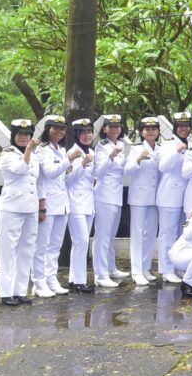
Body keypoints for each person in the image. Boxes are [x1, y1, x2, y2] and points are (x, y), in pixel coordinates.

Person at [0, 119, 39, 305]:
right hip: (11, 208)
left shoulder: (33, 155)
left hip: (30, 208)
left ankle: (20, 290)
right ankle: (6, 292)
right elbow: (21, 169)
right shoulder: (7, 154)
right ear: (14, 136)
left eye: (27, 134)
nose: (24, 137)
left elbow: (35, 180)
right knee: (8, 251)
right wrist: (29, 149)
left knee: (26, 250)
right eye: (20, 134)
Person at [32, 115, 71, 298]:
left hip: (62, 203)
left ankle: (51, 278)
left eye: (62, 129)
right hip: (47, 202)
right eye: (55, 128)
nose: (59, 132)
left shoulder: (61, 150)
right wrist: (69, 160)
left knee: (55, 245)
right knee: (42, 245)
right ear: (48, 130)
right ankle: (38, 282)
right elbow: (48, 173)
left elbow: (64, 177)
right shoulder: (42, 150)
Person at [93, 114, 129, 288]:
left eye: (117, 126)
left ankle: (110, 268)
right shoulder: (101, 147)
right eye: (111, 127)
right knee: (102, 236)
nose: (114, 129)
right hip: (104, 195)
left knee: (111, 235)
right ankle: (100, 275)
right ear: (104, 129)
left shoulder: (120, 144)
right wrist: (111, 157)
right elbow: (98, 172)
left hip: (116, 195)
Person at [156, 112, 192, 285]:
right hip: (169, 195)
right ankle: (166, 269)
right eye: (181, 126)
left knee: (181, 234)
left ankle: (177, 265)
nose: (184, 129)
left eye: (187, 126)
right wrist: (177, 152)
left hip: (186, 196)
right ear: (175, 127)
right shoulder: (168, 144)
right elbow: (163, 167)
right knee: (167, 233)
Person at [126, 116, 162, 286]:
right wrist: (138, 160)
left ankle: (145, 267)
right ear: (141, 132)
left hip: (155, 196)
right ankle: (136, 271)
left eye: (154, 129)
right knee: (137, 233)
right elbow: (127, 171)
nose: (151, 132)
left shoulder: (161, 149)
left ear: (158, 131)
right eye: (147, 129)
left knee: (151, 233)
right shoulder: (136, 149)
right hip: (139, 196)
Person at [65, 118, 96, 294]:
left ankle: (73, 278)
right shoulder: (72, 153)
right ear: (77, 135)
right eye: (83, 133)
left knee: (81, 243)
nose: (87, 136)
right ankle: (80, 281)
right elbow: (68, 179)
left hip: (89, 203)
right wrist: (82, 165)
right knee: (81, 241)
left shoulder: (91, 151)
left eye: (89, 132)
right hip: (75, 202)